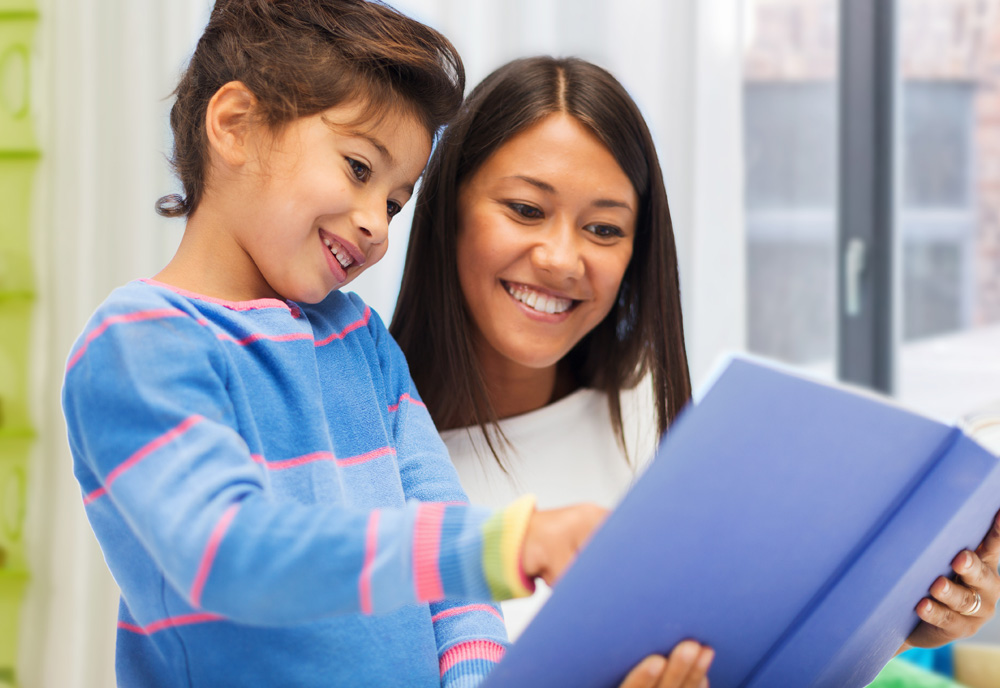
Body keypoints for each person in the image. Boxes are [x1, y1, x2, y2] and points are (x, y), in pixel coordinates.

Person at [390, 55, 1000, 683]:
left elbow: (755, 647)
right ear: (448, 209)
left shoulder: (655, 418)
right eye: (525, 209)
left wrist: (899, 626)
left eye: (603, 228)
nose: (562, 259)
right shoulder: (359, 461)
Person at [60, 6, 614, 687]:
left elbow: (453, 574)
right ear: (235, 126)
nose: (376, 226)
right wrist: (506, 544)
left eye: (394, 202)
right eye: (359, 169)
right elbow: (231, 556)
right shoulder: (138, 345)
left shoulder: (361, 342)